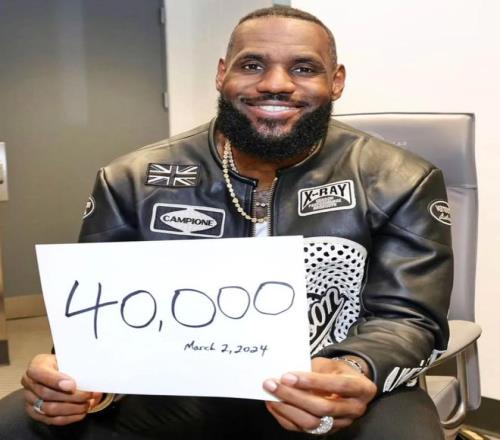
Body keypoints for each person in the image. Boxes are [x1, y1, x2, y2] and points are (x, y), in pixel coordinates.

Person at [0, 5, 452, 439]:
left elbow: (407, 318)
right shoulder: (130, 180)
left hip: (329, 378)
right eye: (252, 65)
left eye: (303, 68)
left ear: (336, 82)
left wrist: (352, 368)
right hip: (177, 386)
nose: (275, 84)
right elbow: (93, 319)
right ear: (222, 74)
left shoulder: (401, 179)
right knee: (17, 422)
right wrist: (72, 383)